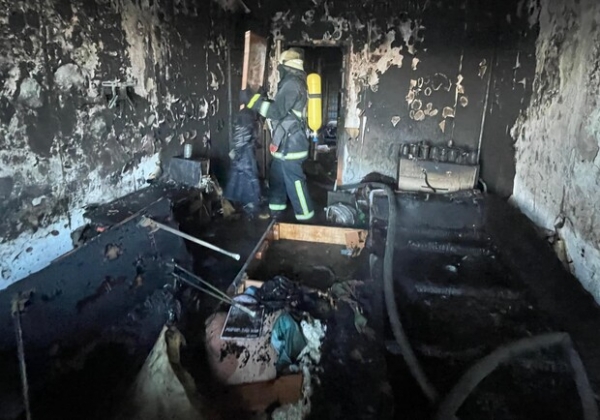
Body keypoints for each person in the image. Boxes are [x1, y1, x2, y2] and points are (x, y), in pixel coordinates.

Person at [242, 48, 315, 222]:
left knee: (295, 182)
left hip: (292, 145)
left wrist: (253, 101)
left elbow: (276, 111)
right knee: (276, 178)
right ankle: (276, 213)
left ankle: (306, 217)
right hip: (284, 143)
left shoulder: (293, 84)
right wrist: (261, 99)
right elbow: (282, 108)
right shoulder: (293, 82)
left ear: (285, 66)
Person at [223, 94, 262, 217]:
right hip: (244, 151)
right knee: (248, 175)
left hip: (244, 150)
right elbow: (242, 135)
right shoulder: (247, 115)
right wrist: (238, 152)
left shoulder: (246, 114)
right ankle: (251, 204)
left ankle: (235, 201)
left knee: (239, 176)